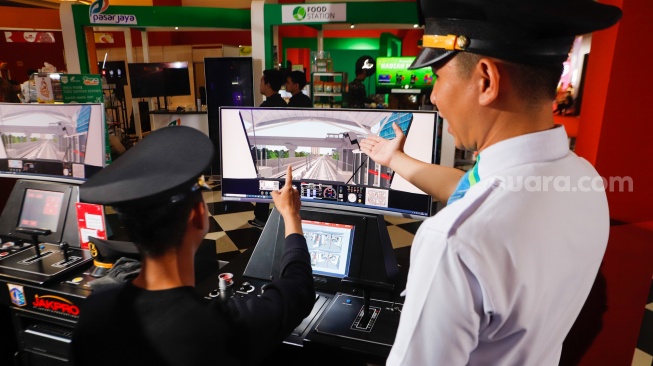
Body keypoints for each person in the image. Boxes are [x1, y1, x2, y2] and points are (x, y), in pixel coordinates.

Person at [358, 0, 621, 364]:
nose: (433, 96)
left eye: (437, 76)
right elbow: (475, 188)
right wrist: (395, 159)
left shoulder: (454, 241)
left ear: (486, 80)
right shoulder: (584, 180)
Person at [72, 126, 315, 366]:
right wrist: (291, 216)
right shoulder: (216, 329)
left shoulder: (96, 312)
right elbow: (299, 289)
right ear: (199, 216)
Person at [249, 69, 288, 228]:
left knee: (264, 184)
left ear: (268, 84)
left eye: (261, 81)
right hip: (280, 152)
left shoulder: (266, 106)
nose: (259, 84)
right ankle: (282, 218)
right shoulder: (283, 104)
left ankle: (261, 219)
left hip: (266, 153)